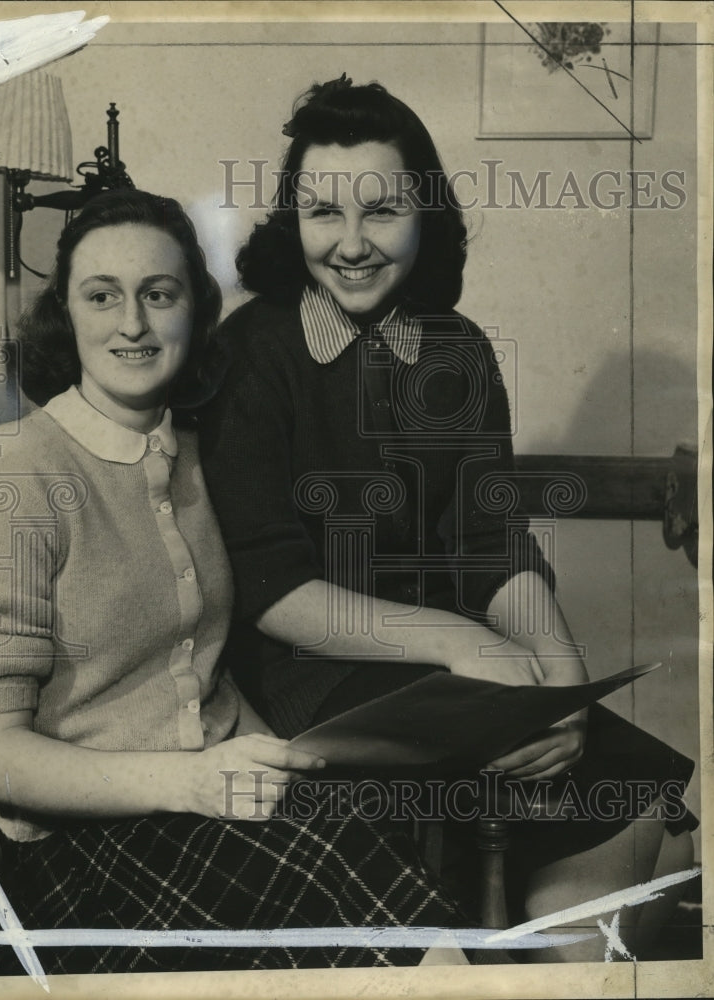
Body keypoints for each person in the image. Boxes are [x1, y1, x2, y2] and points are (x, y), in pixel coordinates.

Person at [198, 76, 697, 961]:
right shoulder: (253, 351)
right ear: (290, 220)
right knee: (506, 773)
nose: (351, 245)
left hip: (443, 666)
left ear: (426, 216)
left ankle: (554, 969)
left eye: (382, 211)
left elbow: (487, 541)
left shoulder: (456, 347)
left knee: (646, 804)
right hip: (305, 673)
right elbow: (271, 588)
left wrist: (559, 678)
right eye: (322, 214)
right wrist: (466, 649)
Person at [0, 188, 471, 976]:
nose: (131, 324)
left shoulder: (200, 453)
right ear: (64, 314)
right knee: (383, 919)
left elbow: (209, 666)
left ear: (194, 314)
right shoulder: (16, 468)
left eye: (158, 296)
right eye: (102, 297)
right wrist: (190, 782)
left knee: (375, 844)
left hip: (215, 802)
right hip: (80, 851)